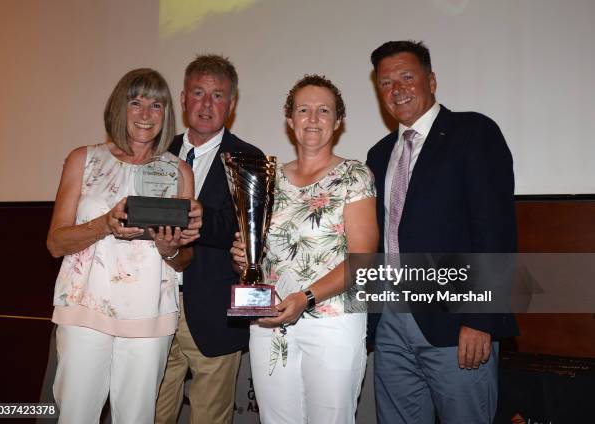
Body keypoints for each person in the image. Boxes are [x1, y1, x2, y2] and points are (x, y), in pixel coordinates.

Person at [366, 40, 519, 423]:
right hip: (390, 323)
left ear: (431, 80)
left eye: (407, 76)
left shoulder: (473, 132)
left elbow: (496, 232)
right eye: (386, 83)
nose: (397, 89)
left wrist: (480, 318)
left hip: (456, 325)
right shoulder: (379, 154)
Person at [47, 68, 202, 423]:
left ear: (166, 114)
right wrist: (105, 224)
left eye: (156, 105)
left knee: (136, 418)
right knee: (76, 416)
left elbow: (183, 259)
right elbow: (55, 243)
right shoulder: (83, 159)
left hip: (150, 313)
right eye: (136, 102)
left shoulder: (178, 171)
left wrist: (170, 248)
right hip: (86, 308)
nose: (146, 114)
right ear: (120, 107)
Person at [231, 75, 378, 423]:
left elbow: (364, 259)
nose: (313, 119)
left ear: (338, 122)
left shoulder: (354, 175)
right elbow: (260, 257)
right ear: (290, 120)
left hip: (334, 319)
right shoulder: (268, 180)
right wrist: (242, 258)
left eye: (324, 110)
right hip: (271, 320)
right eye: (304, 110)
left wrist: (306, 298)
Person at [155, 54, 262, 424]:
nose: (206, 104)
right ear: (183, 99)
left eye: (217, 95)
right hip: (153, 305)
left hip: (214, 311)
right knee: (149, 413)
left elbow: (249, 235)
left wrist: (199, 218)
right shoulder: (157, 153)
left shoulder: (249, 158)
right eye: (198, 93)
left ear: (231, 105)